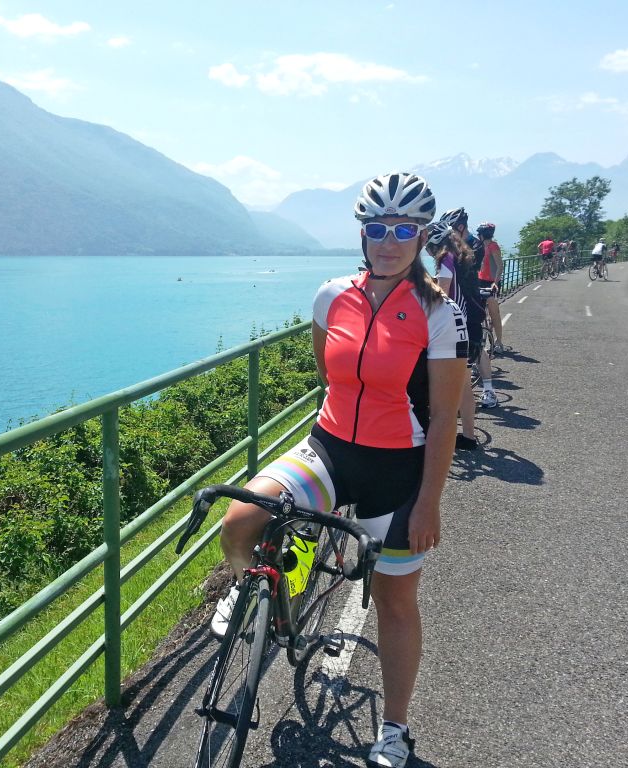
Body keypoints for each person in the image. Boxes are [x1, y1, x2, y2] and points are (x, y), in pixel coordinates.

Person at [212, 171, 467, 767]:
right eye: (378, 228)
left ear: (423, 236)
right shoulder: (331, 296)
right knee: (239, 523)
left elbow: (445, 418)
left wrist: (430, 501)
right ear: (363, 232)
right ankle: (280, 591)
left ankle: (396, 728)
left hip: (398, 472)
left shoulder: (440, 314)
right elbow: (329, 375)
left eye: (405, 229)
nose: (389, 240)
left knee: (394, 600)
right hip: (328, 448)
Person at [427, 221, 482, 450]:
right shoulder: (461, 256)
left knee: (444, 385)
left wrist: (424, 285)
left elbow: (442, 296)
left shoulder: (445, 259)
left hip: (453, 330)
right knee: (464, 385)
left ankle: (441, 436)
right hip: (469, 326)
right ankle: (468, 436)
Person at [440, 208, 499, 409]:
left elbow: (465, 271)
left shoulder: (473, 244)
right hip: (459, 300)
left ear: (460, 226)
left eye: (451, 229)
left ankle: (488, 391)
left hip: (470, 301)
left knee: (475, 347)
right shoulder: (454, 247)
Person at [476, 222, 506, 354]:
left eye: (479, 233)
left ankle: (499, 342)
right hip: (479, 281)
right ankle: (484, 336)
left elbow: (500, 266)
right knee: (480, 312)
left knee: (494, 313)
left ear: (483, 234)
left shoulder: (493, 246)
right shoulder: (479, 246)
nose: (478, 235)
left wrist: (495, 282)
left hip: (491, 283)